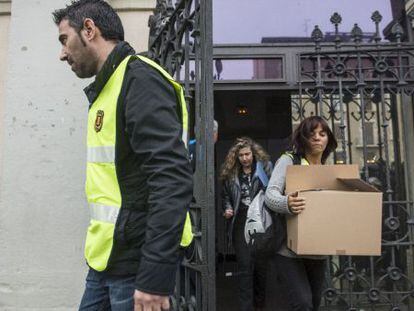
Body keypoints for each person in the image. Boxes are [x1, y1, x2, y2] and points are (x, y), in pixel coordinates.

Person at [52, 1, 193, 310]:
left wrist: (154, 276)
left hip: (136, 267)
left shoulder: (140, 80)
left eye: (64, 40)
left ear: (89, 30)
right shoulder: (108, 87)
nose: (62, 53)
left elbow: (171, 179)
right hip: (107, 262)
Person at [265, 116, 338, 311]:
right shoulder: (289, 160)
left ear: (328, 140)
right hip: (288, 250)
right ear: (303, 138)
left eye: (322, 134)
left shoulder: (329, 170)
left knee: (313, 305)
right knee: (303, 304)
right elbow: (270, 195)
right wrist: (287, 203)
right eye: (312, 134)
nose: (317, 138)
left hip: (318, 252)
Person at [220, 137, 273, 311]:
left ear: (253, 153)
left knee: (260, 268)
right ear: (236, 157)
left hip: (260, 221)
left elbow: (273, 189)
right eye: (241, 155)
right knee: (244, 267)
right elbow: (226, 196)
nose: (245, 158)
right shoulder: (231, 174)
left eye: (247, 154)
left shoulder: (263, 168)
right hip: (240, 222)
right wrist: (227, 209)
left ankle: (260, 306)